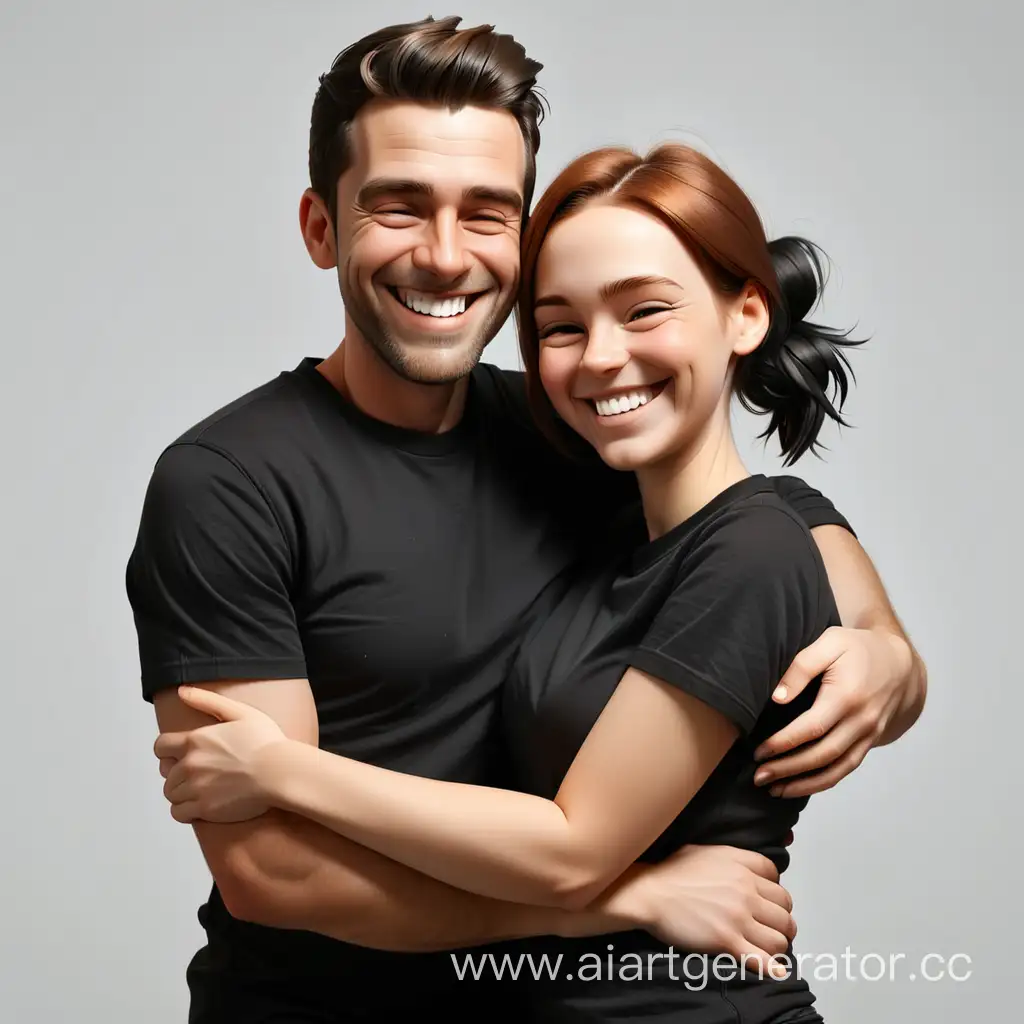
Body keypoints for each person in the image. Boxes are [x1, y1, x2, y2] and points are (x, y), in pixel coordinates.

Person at [128, 15, 926, 1022]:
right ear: (321, 227)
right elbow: (272, 873)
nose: (445, 254)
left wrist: (885, 647)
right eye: (398, 207)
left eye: (488, 212)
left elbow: (755, 518)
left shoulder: (559, 432)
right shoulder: (228, 482)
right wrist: (620, 899)